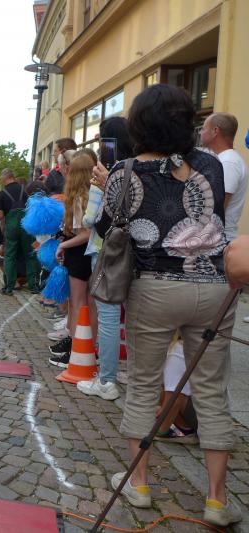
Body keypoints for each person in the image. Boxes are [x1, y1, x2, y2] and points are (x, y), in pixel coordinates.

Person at [96, 84, 239, 527]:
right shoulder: (211, 164)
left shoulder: (124, 170)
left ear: (139, 124)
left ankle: (138, 484)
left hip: (154, 286)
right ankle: (217, 499)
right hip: (212, 286)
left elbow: (108, 229)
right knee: (211, 390)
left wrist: (108, 186)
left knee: (143, 384)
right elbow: (211, 215)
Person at [77, 116, 135, 401]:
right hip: (136, 250)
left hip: (106, 250)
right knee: (134, 316)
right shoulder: (138, 169)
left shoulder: (106, 173)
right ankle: (130, 374)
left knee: (109, 316)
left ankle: (107, 379)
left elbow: (91, 219)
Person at [50, 153, 97, 368]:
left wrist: (63, 245)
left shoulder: (79, 198)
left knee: (78, 304)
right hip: (92, 254)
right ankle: (87, 349)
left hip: (79, 254)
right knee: (90, 305)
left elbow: (85, 234)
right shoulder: (94, 194)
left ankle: (77, 351)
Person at [200, 112, 247, 242]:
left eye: (203, 128)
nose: (200, 132)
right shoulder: (224, 159)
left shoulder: (228, 162)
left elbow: (218, 207)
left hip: (218, 240)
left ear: (215, 131)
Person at [0, 169, 40, 295]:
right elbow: (30, 208)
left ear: (4, 178)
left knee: (10, 256)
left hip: (11, 227)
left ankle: (9, 287)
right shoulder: (24, 190)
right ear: (13, 177)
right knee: (30, 255)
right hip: (25, 226)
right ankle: (33, 286)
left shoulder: (2, 193)